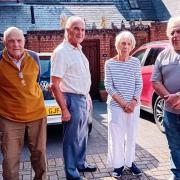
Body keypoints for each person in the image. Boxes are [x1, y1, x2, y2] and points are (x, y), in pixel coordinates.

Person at [50, 16, 97, 180]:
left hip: (83, 98)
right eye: (76, 28)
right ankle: (71, 173)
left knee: (83, 135)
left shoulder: (78, 49)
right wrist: (64, 109)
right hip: (71, 100)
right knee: (71, 140)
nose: (80, 32)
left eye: (83, 29)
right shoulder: (61, 52)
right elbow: (54, 85)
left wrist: (87, 95)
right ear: (67, 30)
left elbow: (79, 77)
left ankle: (80, 163)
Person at [0, 27, 47, 180]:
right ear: (4, 42)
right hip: (9, 118)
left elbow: (36, 80)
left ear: (24, 41)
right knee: (10, 159)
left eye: (19, 40)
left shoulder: (34, 57)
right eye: (11, 41)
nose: (16, 44)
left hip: (37, 114)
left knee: (39, 155)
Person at [104, 31, 143, 178]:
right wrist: (123, 104)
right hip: (115, 106)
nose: (125, 46)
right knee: (116, 136)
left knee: (131, 135)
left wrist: (132, 102)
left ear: (132, 46)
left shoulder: (135, 62)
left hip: (133, 106)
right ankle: (118, 165)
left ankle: (130, 162)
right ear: (117, 45)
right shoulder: (109, 63)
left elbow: (139, 84)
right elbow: (108, 86)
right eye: (123, 43)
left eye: (128, 44)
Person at [152, 16, 180, 180]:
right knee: (174, 146)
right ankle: (176, 175)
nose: (175, 35)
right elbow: (155, 80)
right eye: (172, 32)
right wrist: (169, 98)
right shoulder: (162, 55)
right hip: (170, 112)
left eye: (179, 31)